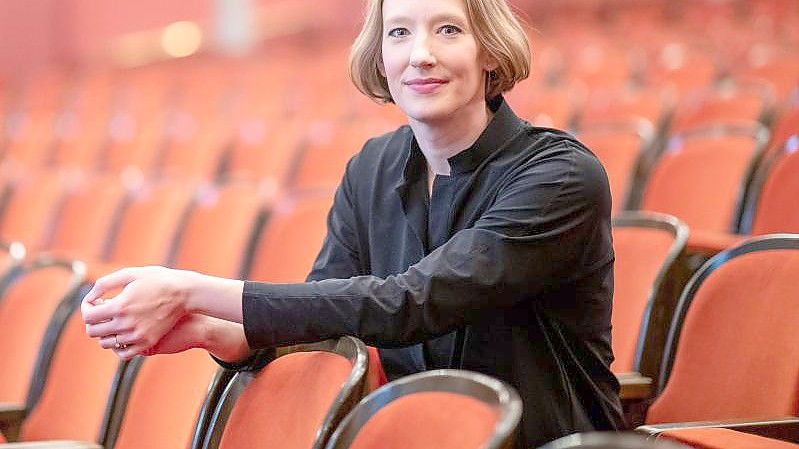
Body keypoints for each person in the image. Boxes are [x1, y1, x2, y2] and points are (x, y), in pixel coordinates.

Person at [82, 0, 624, 446]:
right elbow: (326, 314)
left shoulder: (560, 175)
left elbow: (411, 303)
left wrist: (192, 289)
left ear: (488, 49)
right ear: (380, 55)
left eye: (449, 30)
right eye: (399, 33)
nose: (421, 55)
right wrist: (210, 331)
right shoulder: (373, 168)